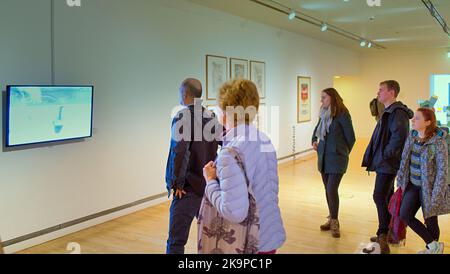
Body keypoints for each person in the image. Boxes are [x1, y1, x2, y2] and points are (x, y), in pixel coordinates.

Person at [200, 79, 286, 254]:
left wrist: (210, 181)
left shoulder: (229, 153)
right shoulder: (264, 139)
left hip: (248, 243)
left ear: (225, 112)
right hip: (269, 235)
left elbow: (234, 212)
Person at [165, 78, 221, 254]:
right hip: (208, 185)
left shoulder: (182, 117)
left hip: (187, 188)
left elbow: (179, 151)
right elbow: (223, 142)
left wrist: (176, 183)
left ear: (185, 94)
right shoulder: (210, 116)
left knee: (176, 241)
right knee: (211, 237)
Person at [362, 80, 414, 254]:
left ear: (391, 92)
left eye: (381, 90)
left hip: (388, 163)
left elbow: (398, 139)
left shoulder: (397, 113)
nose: (378, 93)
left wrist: (383, 156)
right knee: (387, 196)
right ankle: (390, 232)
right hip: (385, 162)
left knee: (379, 195)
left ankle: (383, 233)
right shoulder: (389, 111)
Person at [397, 108, 450, 254]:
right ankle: (434, 246)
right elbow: (404, 160)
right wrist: (400, 181)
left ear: (428, 122)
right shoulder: (412, 136)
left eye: (417, 118)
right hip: (412, 185)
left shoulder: (438, 142)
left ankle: (431, 249)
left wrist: (437, 193)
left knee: (431, 220)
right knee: (405, 214)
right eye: (413, 117)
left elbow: (442, 170)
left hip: (430, 189)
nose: (412, 120)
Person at [312, 88, 356, 238]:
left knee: (331, 189)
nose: (321, 100)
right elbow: (317, 129)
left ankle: (335, 221)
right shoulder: (323, 113)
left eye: (323, 97)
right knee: (327, 188)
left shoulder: (343, 114)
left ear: (332, 97)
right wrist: (314, 140)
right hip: (323, 157)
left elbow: (351, 138)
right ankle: (331, 217)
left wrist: (341, 152)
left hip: (337, 158)